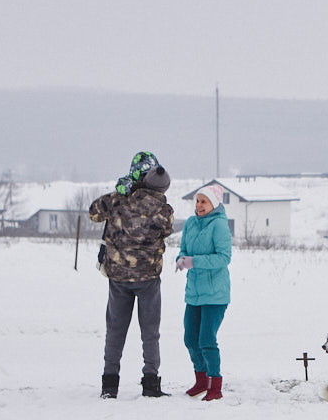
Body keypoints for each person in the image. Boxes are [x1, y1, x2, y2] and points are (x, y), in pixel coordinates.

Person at [88, 151, 175, 399]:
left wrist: (118, 193)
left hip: (118, 277)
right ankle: (151, 384)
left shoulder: (118, 199)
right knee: (150, 332)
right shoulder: (161, 206)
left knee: (115, 331)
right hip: (148, 277)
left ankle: (109, 386)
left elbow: (94, 213)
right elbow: (166, 228)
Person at [176, 183, 232, 401]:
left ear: (214, 204)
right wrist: (181, 259)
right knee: (190, 338)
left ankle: (215, 385)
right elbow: (183, 249)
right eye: (197, 201)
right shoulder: (190, 223)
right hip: (194, 293)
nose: (199, 205)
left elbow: (224, 257)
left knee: (206, 339)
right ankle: (201, 381)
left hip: (215, 294)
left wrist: (194, 261)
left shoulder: (219, 225)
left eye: (204, 201)